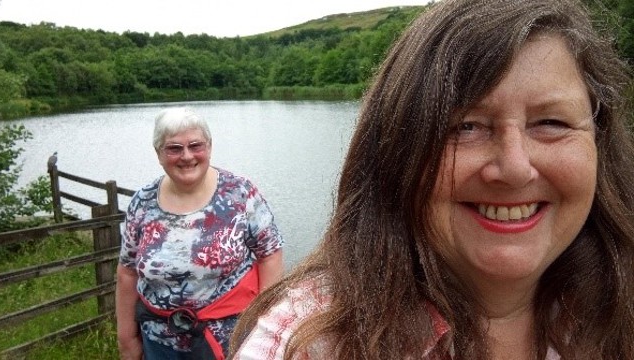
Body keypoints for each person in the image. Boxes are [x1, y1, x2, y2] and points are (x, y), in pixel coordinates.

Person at [228, 0, 634, 359]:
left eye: (551, 122)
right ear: (395, 154)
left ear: (600, 144)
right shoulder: (306, 342)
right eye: (466, 126)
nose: (514, 168)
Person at [115, 107, 284, 360]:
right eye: (174, 148)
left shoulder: (239, 193)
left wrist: (264, 328)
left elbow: (270, 255)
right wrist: (126, 338)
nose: (187, 156)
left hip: (233, 343)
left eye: (196, 145)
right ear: (158, 153)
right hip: (159, 345)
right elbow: (127, 273)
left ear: (210, 146)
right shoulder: (142, 202)